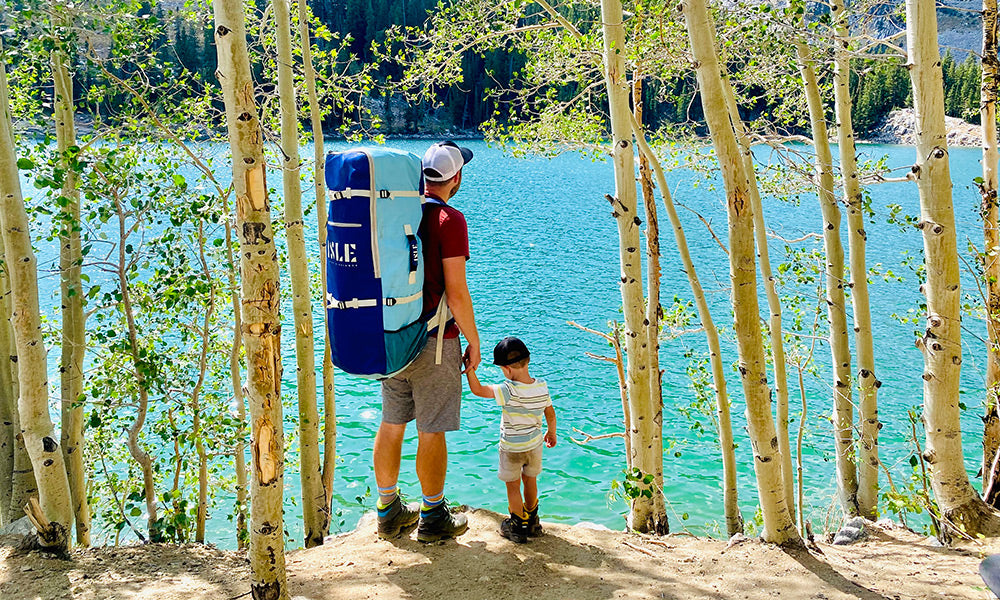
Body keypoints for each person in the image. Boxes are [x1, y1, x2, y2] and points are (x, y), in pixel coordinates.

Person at [374, 141, 482, 542]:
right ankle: (434, 517)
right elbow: (457, 292)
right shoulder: (449, 220)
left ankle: (387, 510)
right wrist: (473, 340)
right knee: (431, 429)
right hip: (436, 342)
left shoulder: (397, 213)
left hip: (394, 336)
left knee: (392, 421)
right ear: (455, 178)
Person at [465, 337, 557, 544]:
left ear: (505, 369)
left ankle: (517, 525)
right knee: (530, 480)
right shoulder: (542, 386)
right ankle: (533, 520)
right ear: (529, 359)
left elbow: (478, 390)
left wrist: (469, 368)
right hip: (534, 445)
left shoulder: (507, 390)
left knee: (513, 487)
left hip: (512, 448)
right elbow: (550, 412)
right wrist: (552, 433)